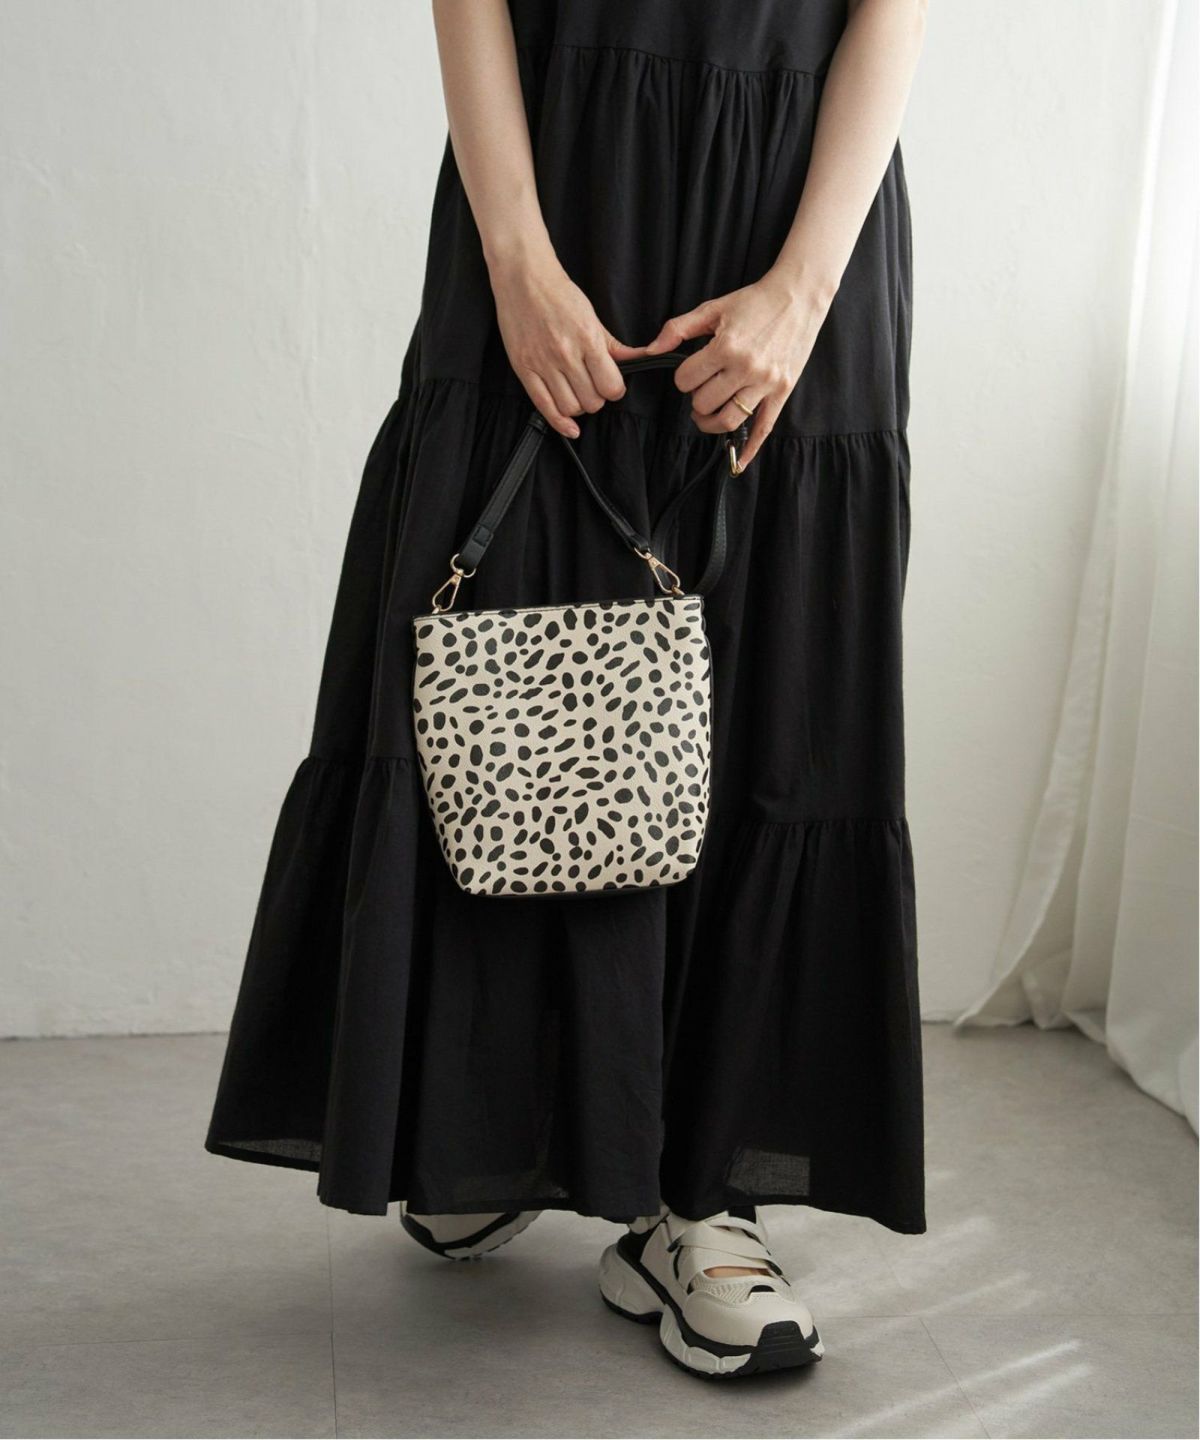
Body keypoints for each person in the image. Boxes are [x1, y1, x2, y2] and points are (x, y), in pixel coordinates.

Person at [207, 0, 930, 1380]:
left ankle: (700, 1202)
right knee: (513, 667)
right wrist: (516, 260)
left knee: (763, 688)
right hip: (551, 175)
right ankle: (508, 1123)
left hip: (797, 197)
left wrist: (802, 294)